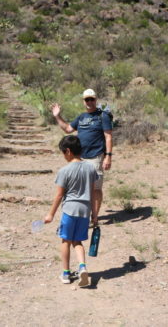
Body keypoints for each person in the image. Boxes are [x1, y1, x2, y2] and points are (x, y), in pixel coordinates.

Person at [51, 89, 112, 224]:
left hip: (96, 156)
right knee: (80, 187)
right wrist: (57, 116)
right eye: (87, 100)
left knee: (96, 188)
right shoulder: (81, 117)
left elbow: (108, 137)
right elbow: (67, 129)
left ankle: (94, 217)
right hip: (80, 158)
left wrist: (108, 156)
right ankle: (82, 214)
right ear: (84, 102)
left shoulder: (103, 116)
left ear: (96, 100)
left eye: (92, 99)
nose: (90, 102)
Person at [44, 135, 99, 286]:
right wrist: (95, 215)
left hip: (69, 210)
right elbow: (93, 193)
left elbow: (59, 195)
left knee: (66, 241)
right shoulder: (90, 168)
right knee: (78, 241)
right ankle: (82, 267)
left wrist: (50, 214)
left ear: (68, 151)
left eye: (63, 153)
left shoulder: (64, 171)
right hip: (85, 210)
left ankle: (66, 274)